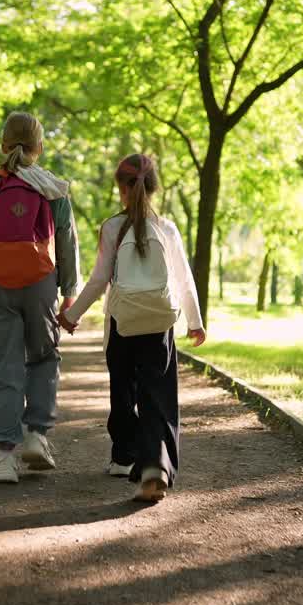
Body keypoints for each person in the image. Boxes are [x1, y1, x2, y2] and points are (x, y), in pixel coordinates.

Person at [58, 153, 205, 502]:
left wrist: (72, 314)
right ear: (154, 187)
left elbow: (97, 281)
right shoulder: (167, 229)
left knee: (123, 393)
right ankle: (155, 466)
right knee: (158, 396)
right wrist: (195, 322)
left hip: (122, 324)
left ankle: (125, 454)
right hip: (158, 324)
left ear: (121, 189)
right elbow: (184, 280)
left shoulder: (111, 227)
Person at [0, 112, 80, 484]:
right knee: (43, 356)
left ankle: (5, 457)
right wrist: (69, 289)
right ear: (39, 148)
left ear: (3, 146)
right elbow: (67, 240)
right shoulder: (52, 188)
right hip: (41, 281)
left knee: (3, 361)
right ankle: (37, 435)